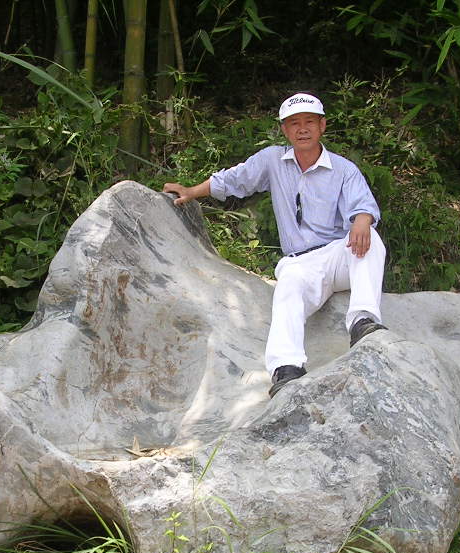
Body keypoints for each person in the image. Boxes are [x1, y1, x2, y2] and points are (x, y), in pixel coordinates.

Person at [162, 92, 387, 398]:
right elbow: (235, 180)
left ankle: (363, 321)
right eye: (294, 123)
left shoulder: (343, 169)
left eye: (310, 121)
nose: (302, 128)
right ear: (285, 129)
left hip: (338, 254)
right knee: (288, 285)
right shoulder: (272, 160)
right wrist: (192, 191)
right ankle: (287, 368)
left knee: (370, 237)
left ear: (322, 126)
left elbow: (363, 207)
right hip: (300, 263)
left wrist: (362, 219)